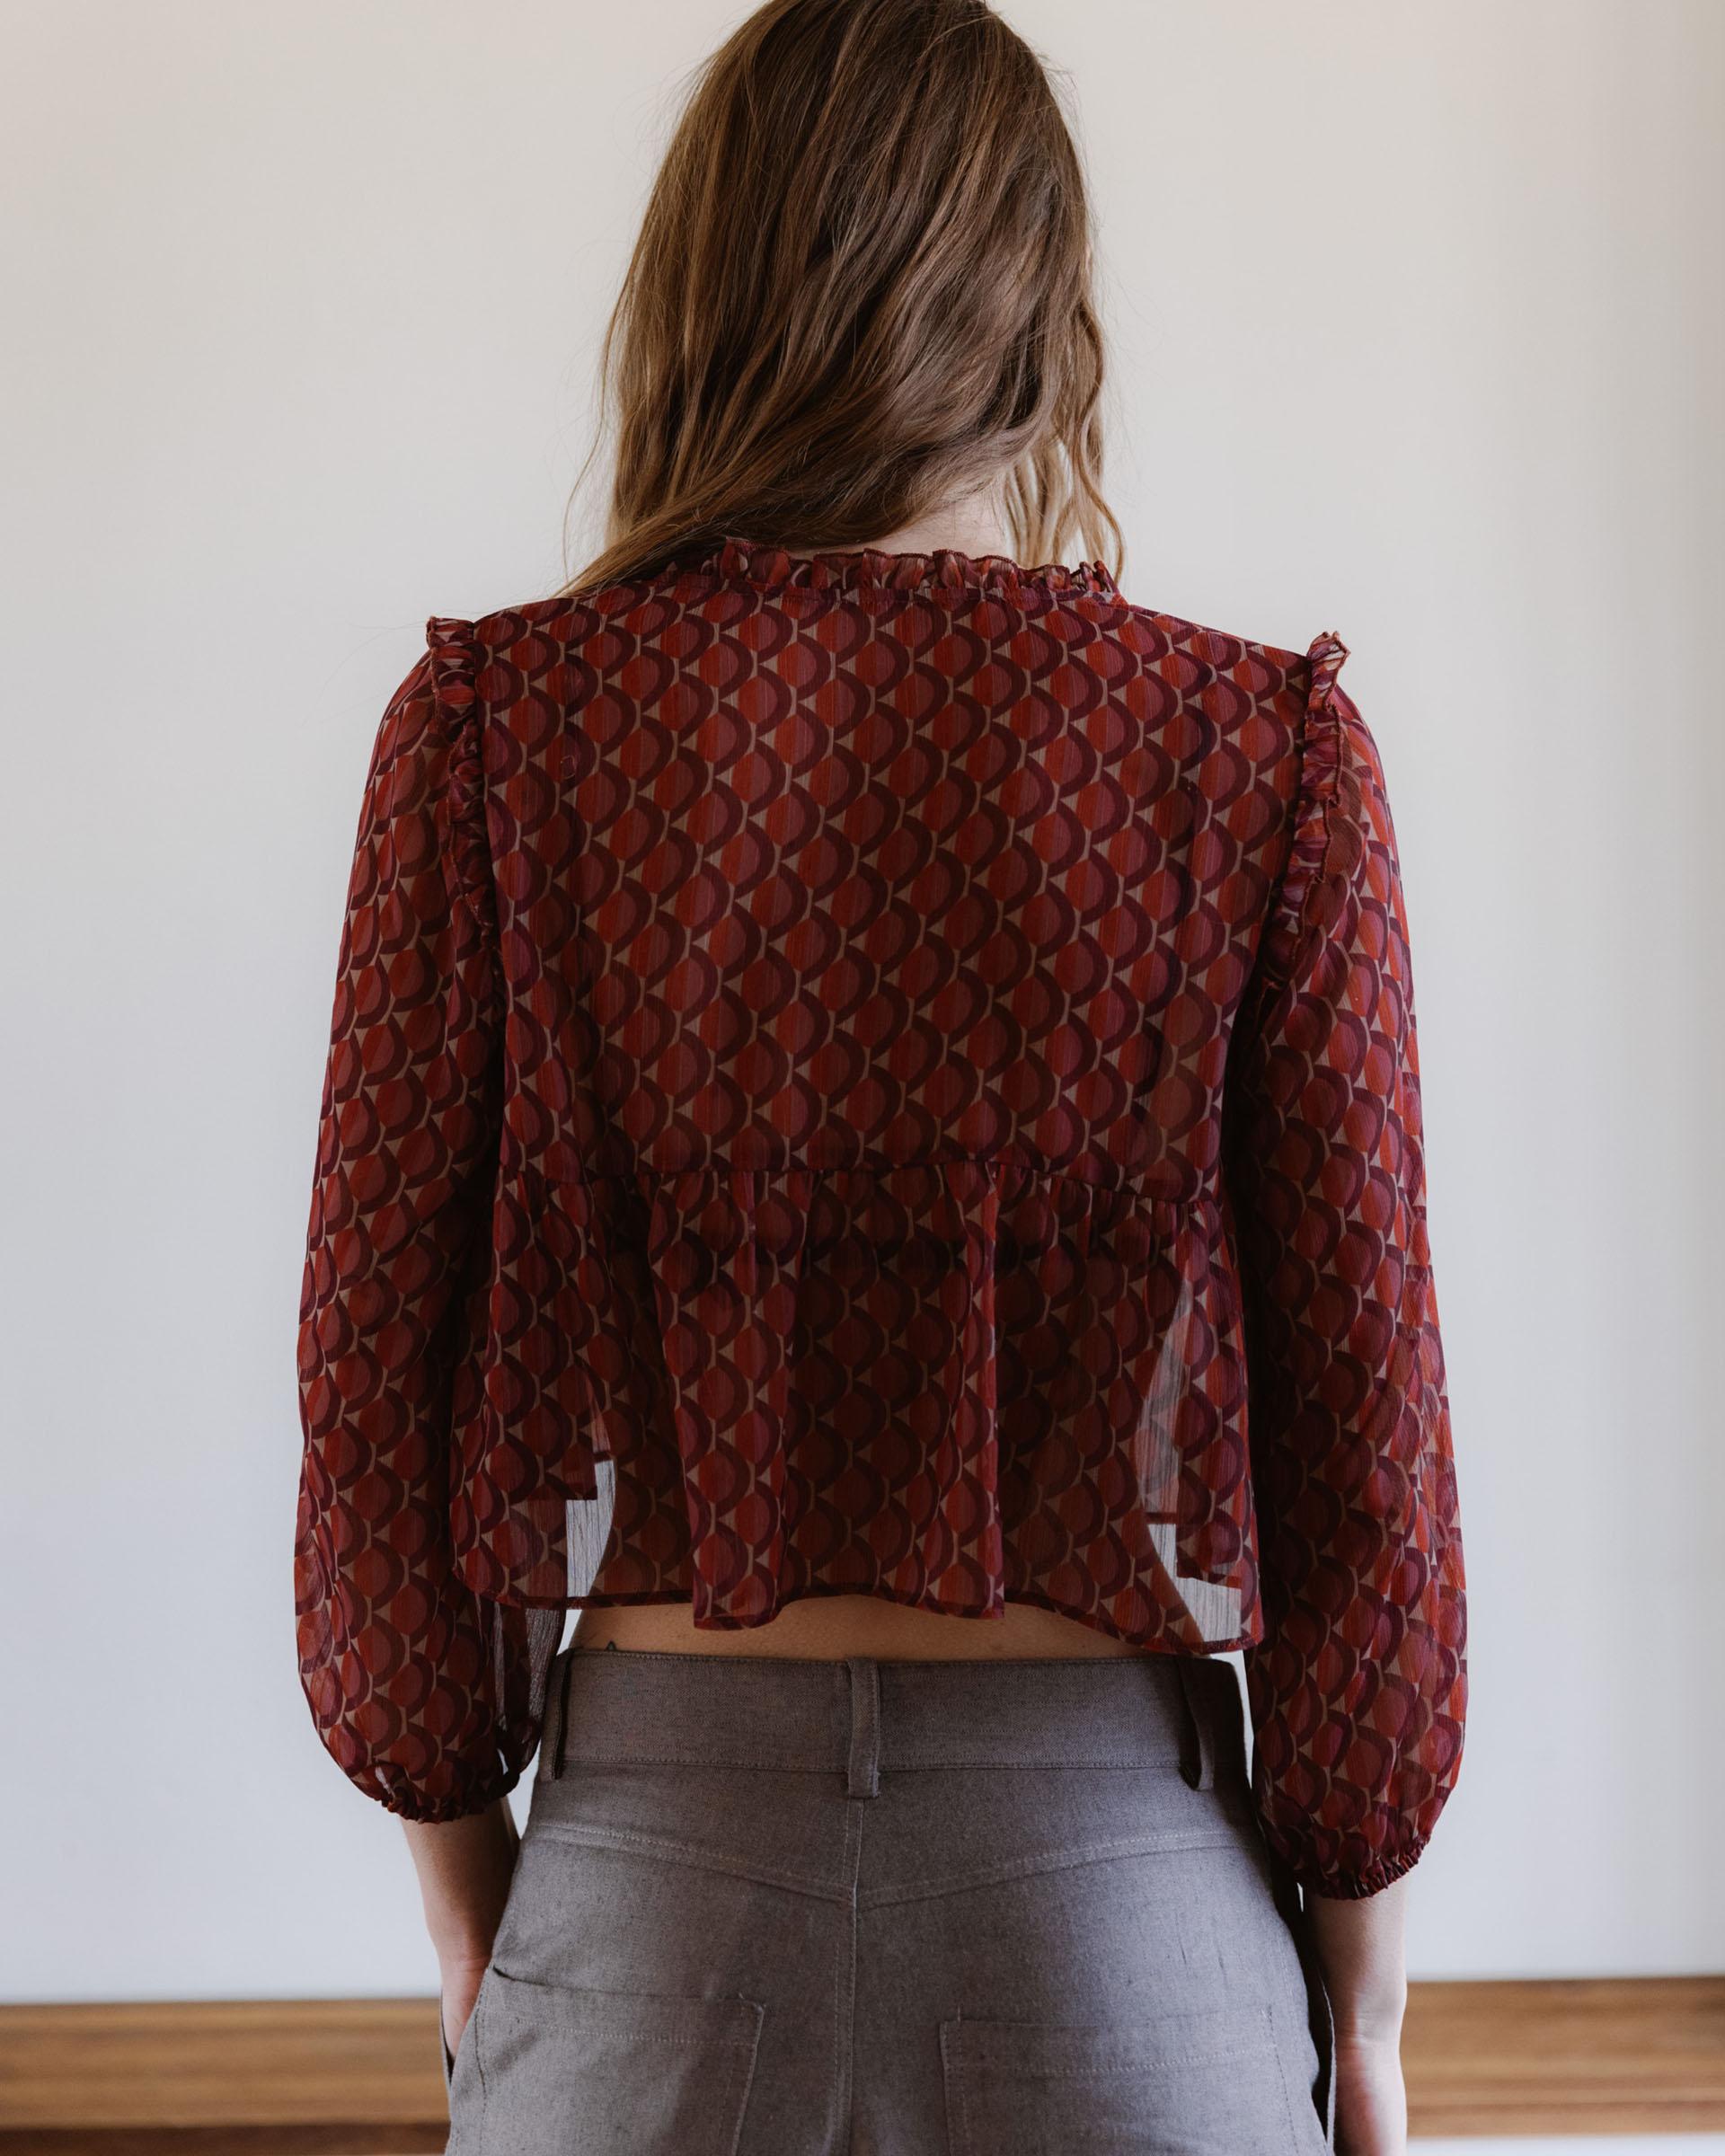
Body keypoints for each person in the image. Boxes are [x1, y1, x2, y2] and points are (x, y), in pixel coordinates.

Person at [293, 3, 1467, 2150]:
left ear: (702, 297)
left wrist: (474, 1914)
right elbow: (1366, 1445)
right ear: (1042, 321)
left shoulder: (486, 743)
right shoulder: (1258, 760)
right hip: (1121, 1923)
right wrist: (1363, 1995)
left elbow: (370, 1400)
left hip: (647, 1911)